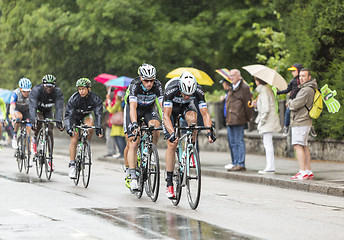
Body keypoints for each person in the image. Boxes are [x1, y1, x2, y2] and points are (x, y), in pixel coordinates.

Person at [163, 71, 216, 199]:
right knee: (172, 143)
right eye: (185, 93)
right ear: (180, 87)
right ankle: (169, 183)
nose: (187, 96)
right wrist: (171, 134)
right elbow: (165, 116)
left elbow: (205, 113)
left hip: (187, 107)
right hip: (172, 109)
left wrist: (209, 131)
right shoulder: (171, 90)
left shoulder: (198, 91)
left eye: (189, 94)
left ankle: (190, 146)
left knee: (193, 120)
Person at [123, 63, 163, 190]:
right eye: (146, 80)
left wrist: (167, 122)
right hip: (133, 109)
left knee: (156, 127)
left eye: (151, 80)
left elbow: (162, 107)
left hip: (149, 108)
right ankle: (132, 175)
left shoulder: (157, 85)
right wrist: (135, 124)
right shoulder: (135, 85)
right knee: (133, 142)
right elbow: (133, 107)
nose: (149, 84)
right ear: (141, 78)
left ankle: (151, 150)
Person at [64, 78, 103, 179]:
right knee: (74, 139)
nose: (81, 91)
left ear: (89, 89)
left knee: (90, 126)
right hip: (75, 118)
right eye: (79, 89)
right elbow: (68, 115)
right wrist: (69, 128)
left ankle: (86, 144)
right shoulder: (74, 99)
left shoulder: (95, 99)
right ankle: (72, 165)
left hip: (85, 116)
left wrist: (99, 128)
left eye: (83, 89)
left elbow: (98, 114)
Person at [287, 68, 316, 180]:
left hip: (300, 121)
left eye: (304, 76)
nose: (301, 78)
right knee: (304, 146)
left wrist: (289, 102)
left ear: (309, 77)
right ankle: (308, 171)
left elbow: (295, 105)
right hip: (305, 121)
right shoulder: (310, 88)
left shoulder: (306, 90)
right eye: (300, 76)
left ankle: (302, 171)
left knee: (297, 145)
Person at [29, 74, 64, 160]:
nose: (49, 88)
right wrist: (33, 120)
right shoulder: (37, 90)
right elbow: (32, 107)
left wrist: (59, 121)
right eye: (47, 86)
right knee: (39, 120)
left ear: (54, 86)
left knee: (50, 129)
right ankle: (35, 137)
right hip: (37, 110)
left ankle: (50, 155)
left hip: (48, 111)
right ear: (43, 84)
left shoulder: (57, 92)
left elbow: (59, 108)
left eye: (51, 86)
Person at [252, 77, 281, 174]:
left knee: (267, 144)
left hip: (267, 121)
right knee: (268, 144)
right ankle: (270, 166)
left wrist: (262, 121)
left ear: (258, 81)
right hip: (269, 120)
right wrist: (256, 106)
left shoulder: (264, 90)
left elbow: (266, 109)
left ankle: (270, 167)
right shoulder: (266, 89)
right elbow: (264, 106)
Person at [225, 69, 252, 171]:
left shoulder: (244, 87)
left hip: (239, 118)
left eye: (233, 75)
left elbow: (248, 104)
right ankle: (235, 162)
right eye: (230, 76)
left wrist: (248, 117)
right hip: (230, 119)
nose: (231, 77)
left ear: (239, 76)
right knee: (232, 142)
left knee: (238, 141)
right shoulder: (231, 87)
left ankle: (240, 163)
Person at [277, 63, 303, 135]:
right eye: (292, 71)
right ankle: (286, 126)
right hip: (293, 101)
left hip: (301, 100)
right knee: (288, 112)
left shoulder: (303, 80)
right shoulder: (292, 81)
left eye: (294, 71)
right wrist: (278, 92)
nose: (292, 73)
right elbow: (287, 90)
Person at [9, 78, 32, 149]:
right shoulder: (15, 93)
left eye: (28, 91)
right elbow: (12, 108)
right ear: (20, 89)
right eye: (24, 91)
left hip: (27, 111)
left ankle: (28, 151)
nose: (26, 93)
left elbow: (34, 107)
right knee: (19, 117)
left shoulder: (32, 94)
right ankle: (15, 136)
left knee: (28, 130)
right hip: (17, 110)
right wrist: (13, 118)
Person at [220, 78, 236, 170]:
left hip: (232, 120)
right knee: (231, 142)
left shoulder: (231, 92)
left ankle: (235, 162)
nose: (223, 85)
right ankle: (233, 161)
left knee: (234, 142)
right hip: (228, 120)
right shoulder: (228, 93)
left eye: (223, 83)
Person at [106, 91, 126, 159]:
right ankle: (122, 153)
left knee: (119, 139)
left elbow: (112, 110)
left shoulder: (118, 102)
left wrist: (109, 104)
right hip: (120, 124)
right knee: (121, 139)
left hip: (117, 124)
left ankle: (122, 153)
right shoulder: (123, 103)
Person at [103, 88, 118, 158]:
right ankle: (112, 151)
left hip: (112, 119)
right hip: (111, 119)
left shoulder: (112, 95)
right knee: (110, 136)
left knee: (110, 136)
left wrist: (108, 100)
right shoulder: (113, 94)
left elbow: (109, 108)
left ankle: (111, 151)